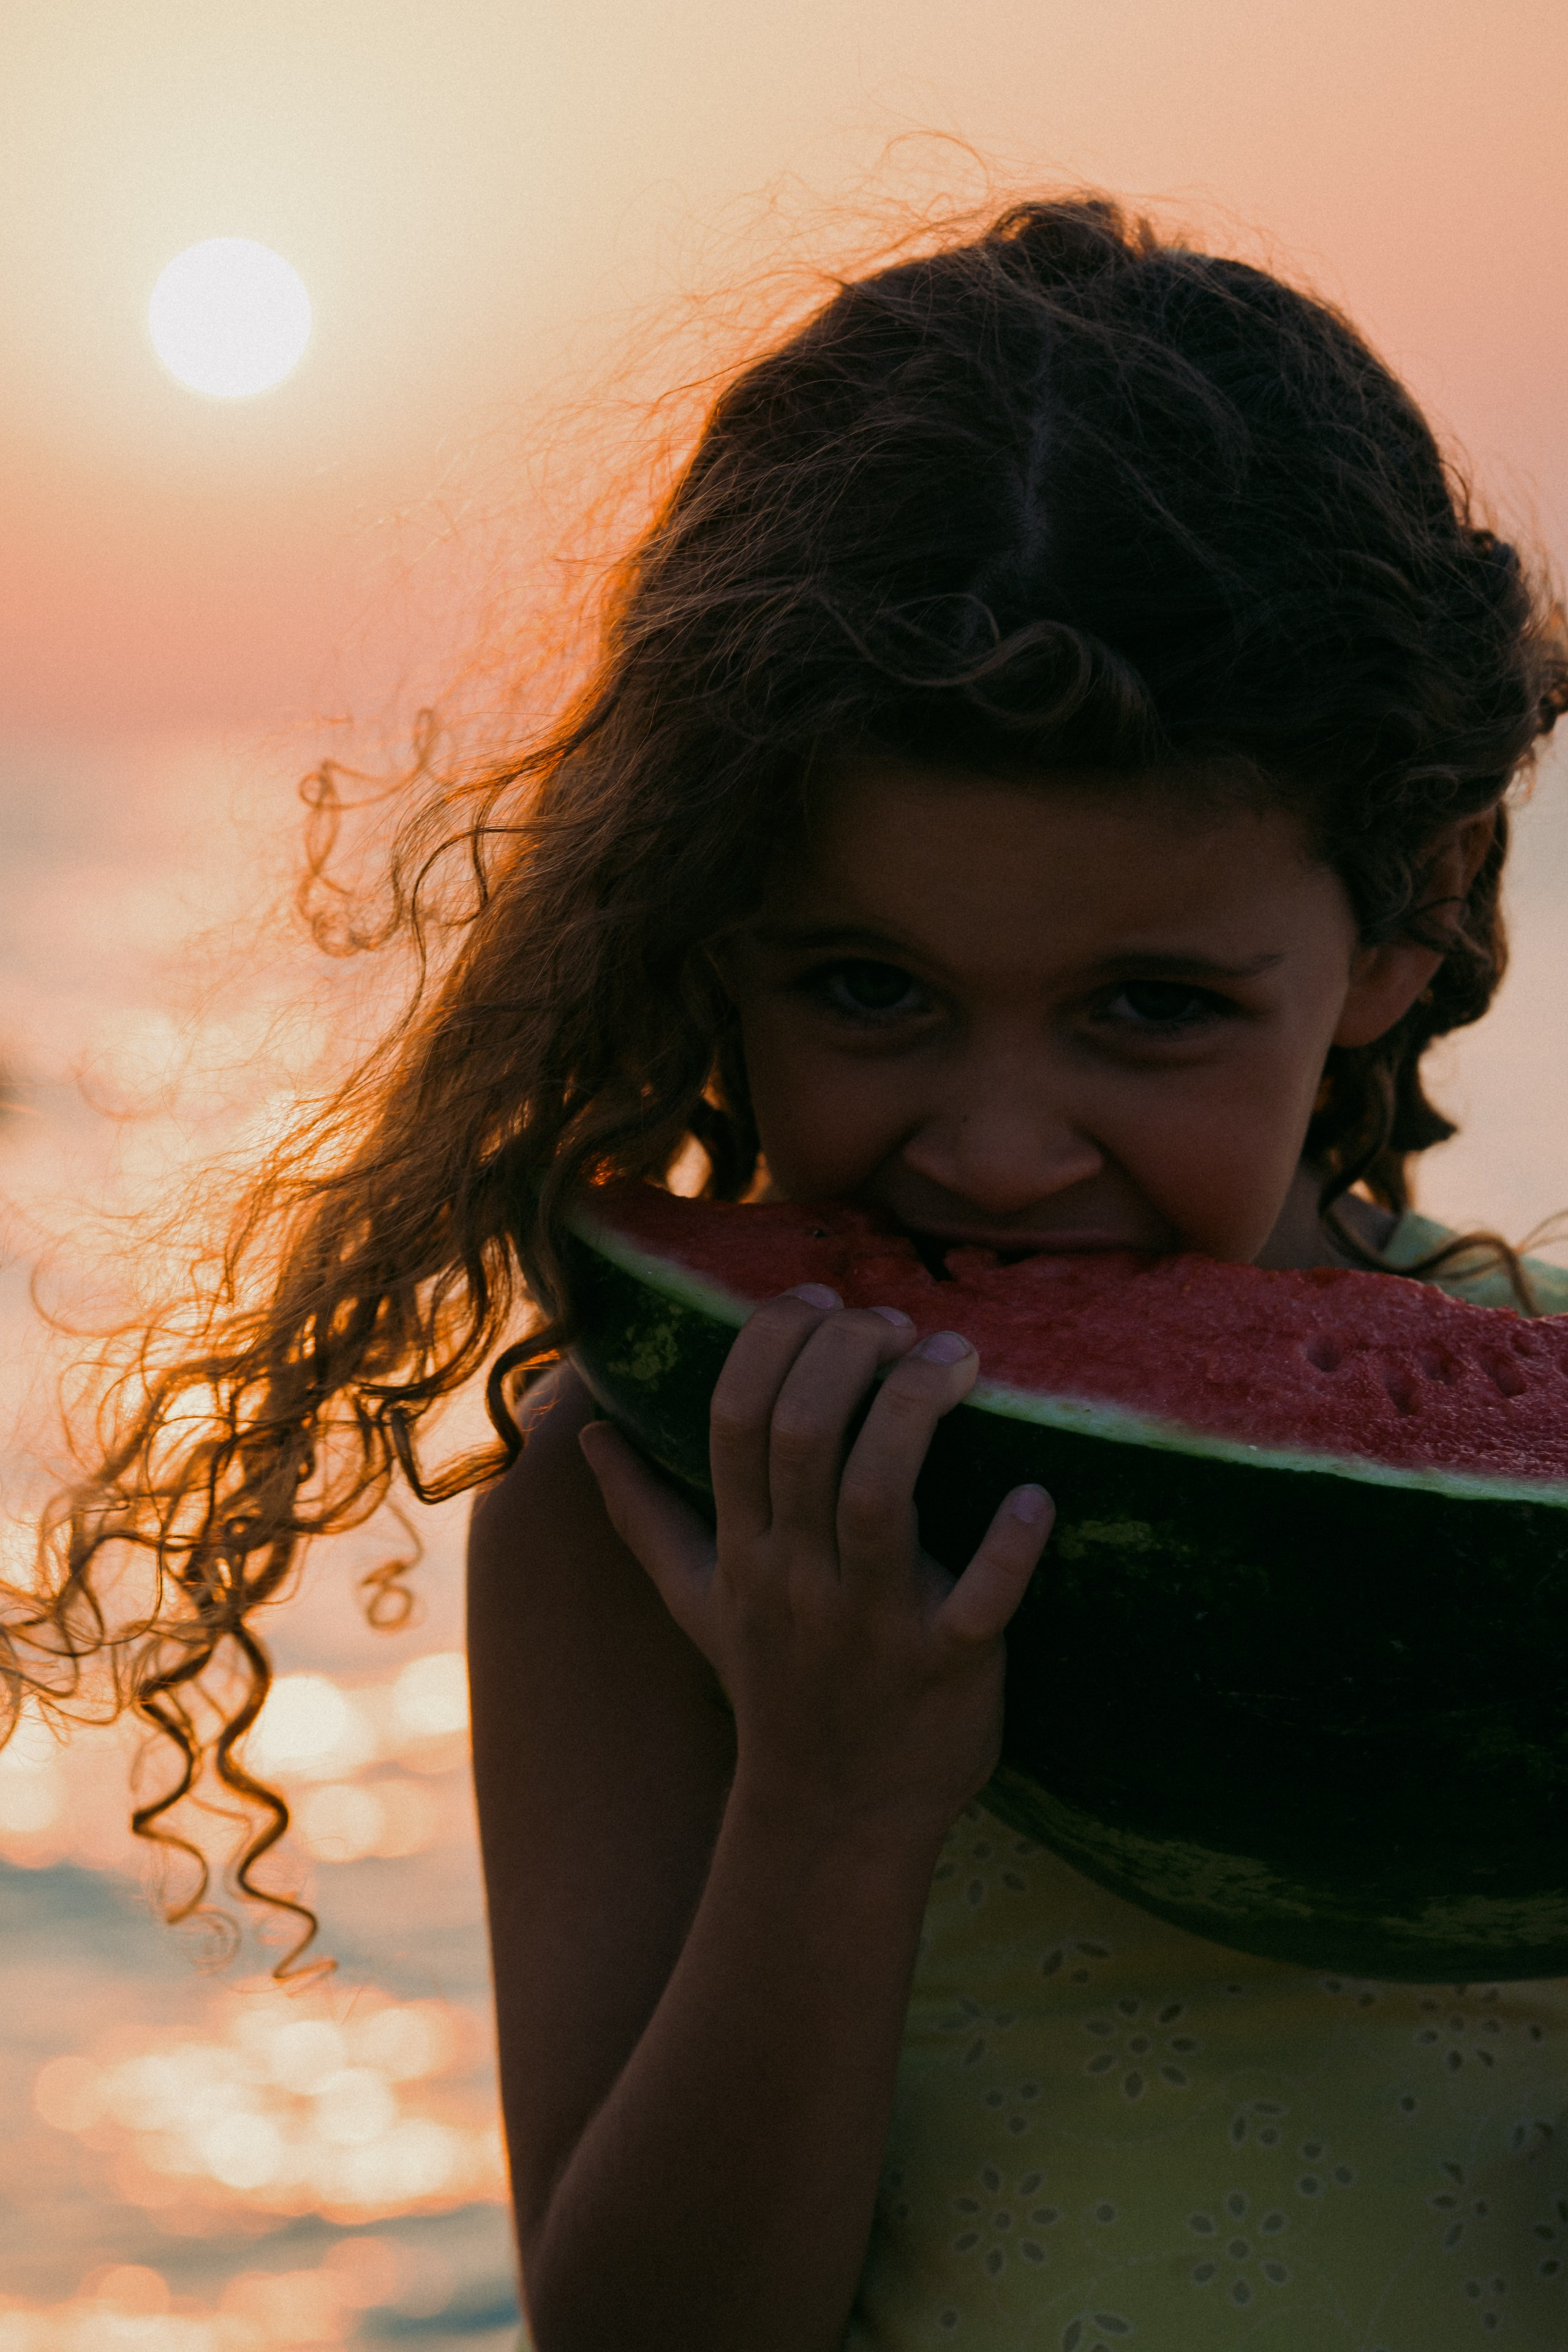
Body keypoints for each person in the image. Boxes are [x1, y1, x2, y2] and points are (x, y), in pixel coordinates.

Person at [26, 194, 1568, 2347]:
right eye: (869, 987)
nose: (1000, 1150)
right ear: (702, 933)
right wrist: (832, 1806)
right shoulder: (638, 1525)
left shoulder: (1537, 1480)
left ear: (1405, 923)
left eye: (1149, 1009)